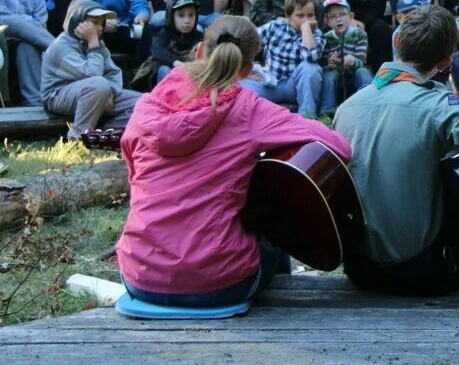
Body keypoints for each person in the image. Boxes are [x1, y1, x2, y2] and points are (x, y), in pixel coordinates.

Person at [116, 16, 350, 308]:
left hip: (140, 276)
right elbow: (339, 146)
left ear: (200, 50)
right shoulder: (249, 109)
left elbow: (135, 174)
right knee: (272, 218)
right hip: (218, 283)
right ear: (250, 70)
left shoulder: (146, 107)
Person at [333, 5, 459, 296]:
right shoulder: (439, 104)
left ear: (397, 42)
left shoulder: (347, 108)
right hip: (421, 272)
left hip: (361, 270)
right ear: (447, 60)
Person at [40, 0, 140, 140]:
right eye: (94, 22)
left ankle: (103, 135)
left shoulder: (97, 43)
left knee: (142, 102)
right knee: (99, 85)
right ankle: (76, 138)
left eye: (102, 23)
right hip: (57, 94)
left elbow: (113, 72)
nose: (99, 28)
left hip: (95, 91)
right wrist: (93, 43)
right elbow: (92, 74)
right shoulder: (61, 46)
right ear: (77, 21)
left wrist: (110, 92)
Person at [242, 0, 324, 118]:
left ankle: (307, 117)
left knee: (311, 69)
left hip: (295, 87)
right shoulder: (276, 27)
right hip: (270, 83)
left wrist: (306, 30)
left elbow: (310, 57)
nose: (306, 20)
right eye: (300, 15)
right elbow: (247, 42)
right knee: (240, 85)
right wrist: (247, 69)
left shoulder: (316, 34)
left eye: (310, 15)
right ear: (288, 16)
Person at [0, 0, 54, 104]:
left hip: (28, 40)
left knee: (27, 45)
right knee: (14, 22)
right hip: (2, 37)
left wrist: (26, 24)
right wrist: (26, 21)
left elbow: (41, 24)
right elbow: (3, 18)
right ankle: (60, 48)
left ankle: (34, 102)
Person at [318, 0, 372, 116]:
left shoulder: (360, 34)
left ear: (351, 17)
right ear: (327, 21)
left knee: (363, 72)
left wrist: (352, 60)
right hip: (337, 78)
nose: (338, 19)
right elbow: (324, 61)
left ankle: (369, 104)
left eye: (342, 14)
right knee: (329, 74)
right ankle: (327, 110)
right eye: (333, 16)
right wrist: (331, 61)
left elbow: (362, 60)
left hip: (354, 74)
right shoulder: (326, 38)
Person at [147, 0, 203, 86]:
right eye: (181, 15)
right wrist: (179, 64)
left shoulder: (199, 36)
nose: (187, 21)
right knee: (165, 70)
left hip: (190, 76)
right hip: (166, 76)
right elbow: (157, 50)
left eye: (191, 15)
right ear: (171, 16)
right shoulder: (163, 33)